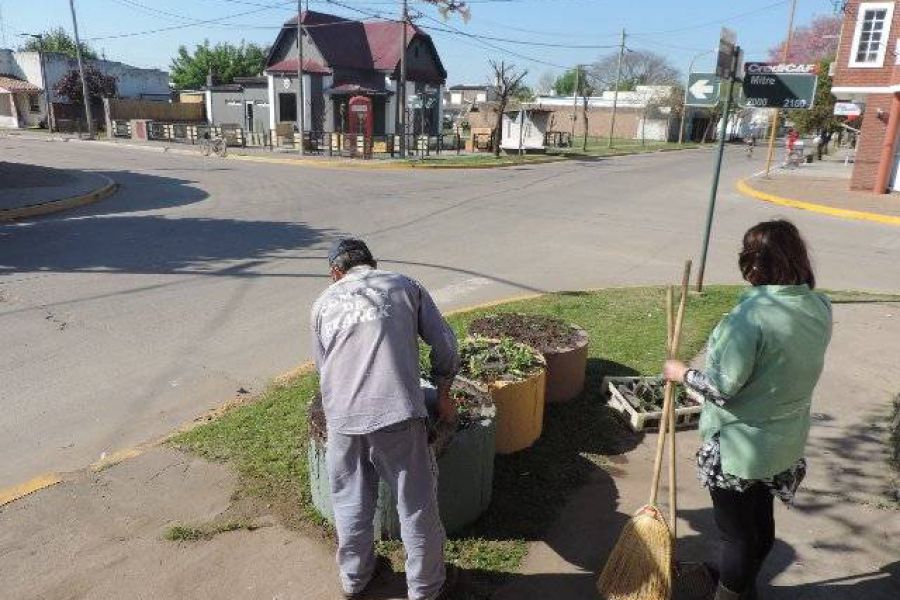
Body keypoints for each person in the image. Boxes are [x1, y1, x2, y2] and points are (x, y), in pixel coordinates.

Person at [663, 220, 832, 600]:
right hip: (784, 443)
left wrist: (682, 373)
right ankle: (742, 586)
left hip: (740, 447)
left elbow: (722, 387)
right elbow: (782, 369)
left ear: (752, 263)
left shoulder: (750, 318)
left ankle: (731, 590)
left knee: (736, 536)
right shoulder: (818, 306)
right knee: (760, 525)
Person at [310, 238, 460, 600]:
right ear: (372, 264)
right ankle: (426, 589)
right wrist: (442, 394)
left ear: (335, 273)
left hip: (342, 418)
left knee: (350, 500)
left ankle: (354, 579)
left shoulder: (322, 304)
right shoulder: (404, 286)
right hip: (396, 414)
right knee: (416, 504)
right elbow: (444, 344)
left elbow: (324, 368)